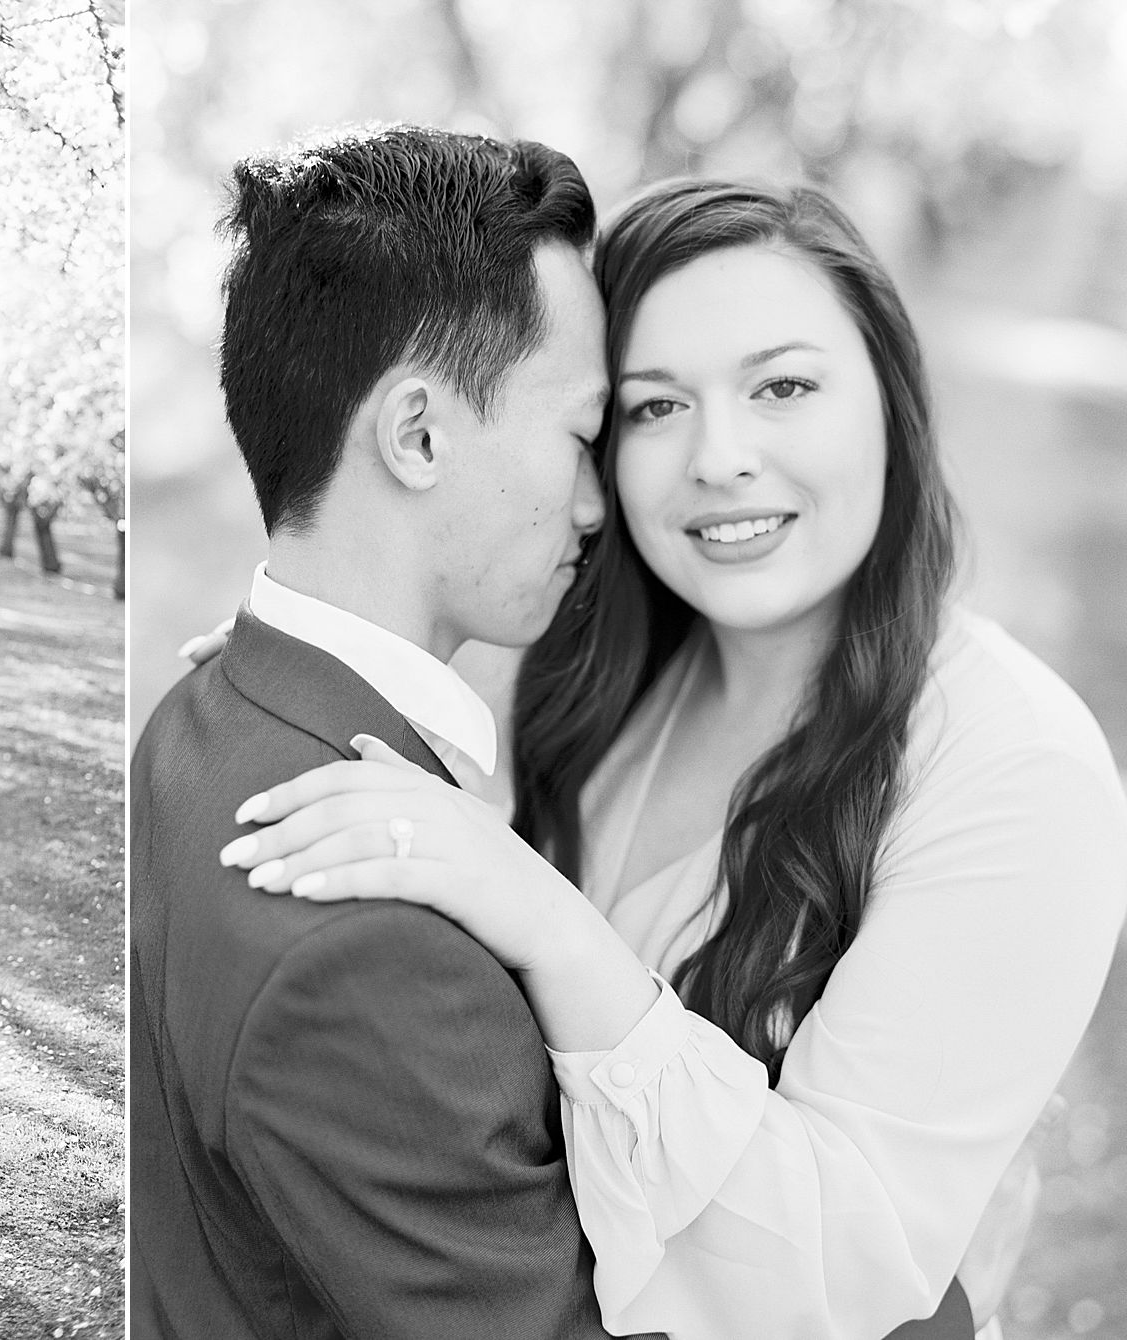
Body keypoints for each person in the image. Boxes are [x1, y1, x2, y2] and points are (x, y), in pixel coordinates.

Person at [215, 180, 1127, 1339]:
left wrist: (544, 919)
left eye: (783, 386)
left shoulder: (1014, 769)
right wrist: (303, 676)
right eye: (652, 409)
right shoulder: (608, 672)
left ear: (890, 402)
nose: (719, 458)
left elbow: (841, 1273)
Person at [131, 124, 624, 1338]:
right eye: (577, 434)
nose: (595, 501)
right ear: (415, 434)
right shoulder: (362, 945)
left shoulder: (203, 713)